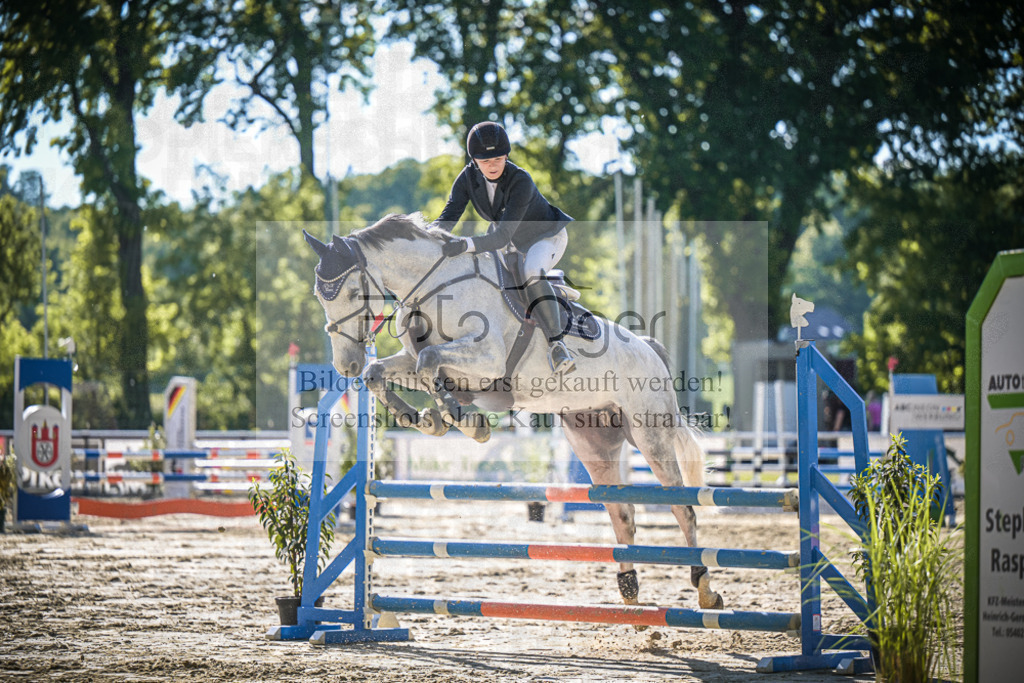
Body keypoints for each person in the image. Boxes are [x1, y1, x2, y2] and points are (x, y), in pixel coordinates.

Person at [431, 120, 575, 375]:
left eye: (498, 159)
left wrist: (464, 244)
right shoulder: (467, 179)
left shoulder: (521, 181)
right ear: (474, 160)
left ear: (506, 155)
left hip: (545, 237)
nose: (492, 166)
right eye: (485, 161)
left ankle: (557, 345)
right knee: (485, 274)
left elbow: (501, 236)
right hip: (511, 241)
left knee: (532, 271)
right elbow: (449, 215)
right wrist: (428, 240)